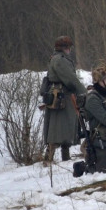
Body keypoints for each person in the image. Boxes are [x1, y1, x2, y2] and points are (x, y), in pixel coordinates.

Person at [42, 36, 87, 165]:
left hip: (61, 95)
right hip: (62, 96)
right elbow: (70, 78)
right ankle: (49, 158)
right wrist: (83, 92)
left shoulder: (55, 58)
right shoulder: (60, 60)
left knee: (63, 127)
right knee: (58, 128)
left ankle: (64, 157)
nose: (70, 50)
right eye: (68, 47)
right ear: (64, 48)